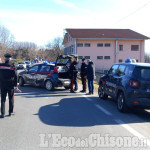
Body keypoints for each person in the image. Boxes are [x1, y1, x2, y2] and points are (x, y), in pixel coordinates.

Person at [0, 53, 20, 118]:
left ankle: (2, 113)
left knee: (3, 99)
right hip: (10, 84)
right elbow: (16, 76)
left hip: (2, 84)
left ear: (5, 58)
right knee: (11, 98)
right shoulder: (12, 66)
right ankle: (10, 112)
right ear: (10, 59)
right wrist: (15, 85)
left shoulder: (1, 65)